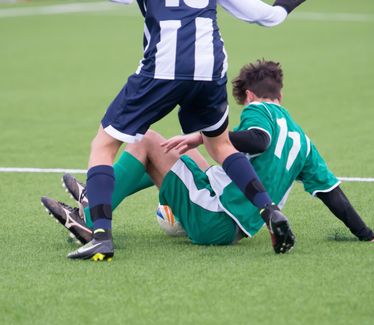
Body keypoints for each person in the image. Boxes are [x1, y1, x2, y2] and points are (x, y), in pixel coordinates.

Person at [41, 60, 374, 260]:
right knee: (181, 153)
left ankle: (90, 216)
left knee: (148, 139)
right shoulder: (303, 141)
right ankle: (94, 197)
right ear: (280, 93)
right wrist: (367, 235)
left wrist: (204, 134)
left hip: (214, 218)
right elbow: (333, 194)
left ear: (249, 95)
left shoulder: (258, 114)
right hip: (232, 223)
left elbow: (257, 141)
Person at [72, 0, 309, 260]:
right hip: (210, 67)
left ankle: (100, 236)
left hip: (163, 66)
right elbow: (268, 17)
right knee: (220, 146)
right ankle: (269, 209)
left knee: (104, 144)